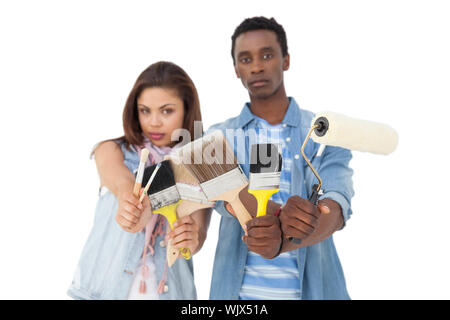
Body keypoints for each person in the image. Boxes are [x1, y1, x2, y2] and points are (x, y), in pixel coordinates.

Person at [208, 16, 354, 300]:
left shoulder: (326, 134)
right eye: (246, 59)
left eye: (267, 55)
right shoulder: (217, 138)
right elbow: (220, 196)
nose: (258, 66)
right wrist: (277, 216)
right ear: (236, 69)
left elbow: (336, 207)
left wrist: (283, 241)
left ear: (285, 60)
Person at [67, 61, 211, 300]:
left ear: (188, 109)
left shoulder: (202, 163)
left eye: (167, 111)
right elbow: (121, 180)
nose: (154, 121)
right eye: (145, 110)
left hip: (172, 292)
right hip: (105, 291)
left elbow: (199, 232)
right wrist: (130, 199)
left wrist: (191, 238)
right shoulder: (112, 150)